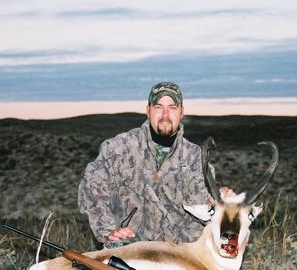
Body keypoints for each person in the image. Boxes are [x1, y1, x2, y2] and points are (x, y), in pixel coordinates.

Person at [78, 82, 211, 247]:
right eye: (158, 107)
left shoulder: (194, 157)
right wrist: (109, 231)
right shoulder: (118, 148)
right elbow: (91, 189)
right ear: (148, 111)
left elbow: (204, 206)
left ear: (181, 112)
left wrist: (222, 200)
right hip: (130, 247)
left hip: (180, 252)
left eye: (172, 107)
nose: (165, 115)